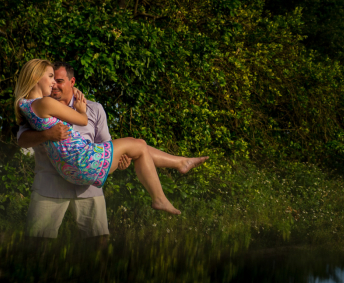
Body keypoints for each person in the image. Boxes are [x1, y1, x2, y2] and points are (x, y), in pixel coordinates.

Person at [16, 59, 207, 234]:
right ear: (36, 78)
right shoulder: (48, 104)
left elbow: (105, 143)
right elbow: (23, 140)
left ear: (72, 82)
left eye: (58, 80)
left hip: (86, 183)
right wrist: (49, 133)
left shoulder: (29, 105)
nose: (53, 84)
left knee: (98, 239)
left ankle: (180, 164)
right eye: (50, 78)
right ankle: (167, 184)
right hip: (58, 181)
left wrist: (120, 161)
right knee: (139, 144)